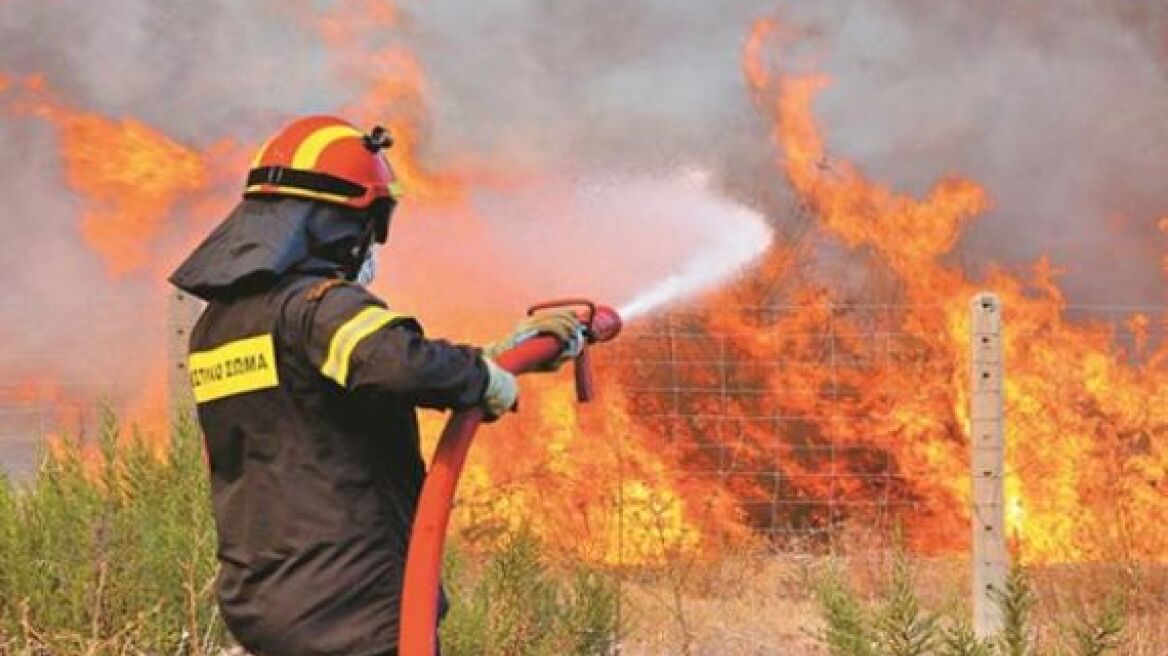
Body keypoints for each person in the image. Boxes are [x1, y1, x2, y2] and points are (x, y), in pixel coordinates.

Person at [169, 115, 580, 656]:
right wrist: (483, 378)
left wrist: (489, 357)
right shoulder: (319, 307)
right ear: (337, 225)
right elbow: (397, 365)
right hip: (354, 601)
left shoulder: (219, 325)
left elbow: (340, 382)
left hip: (267, 598)